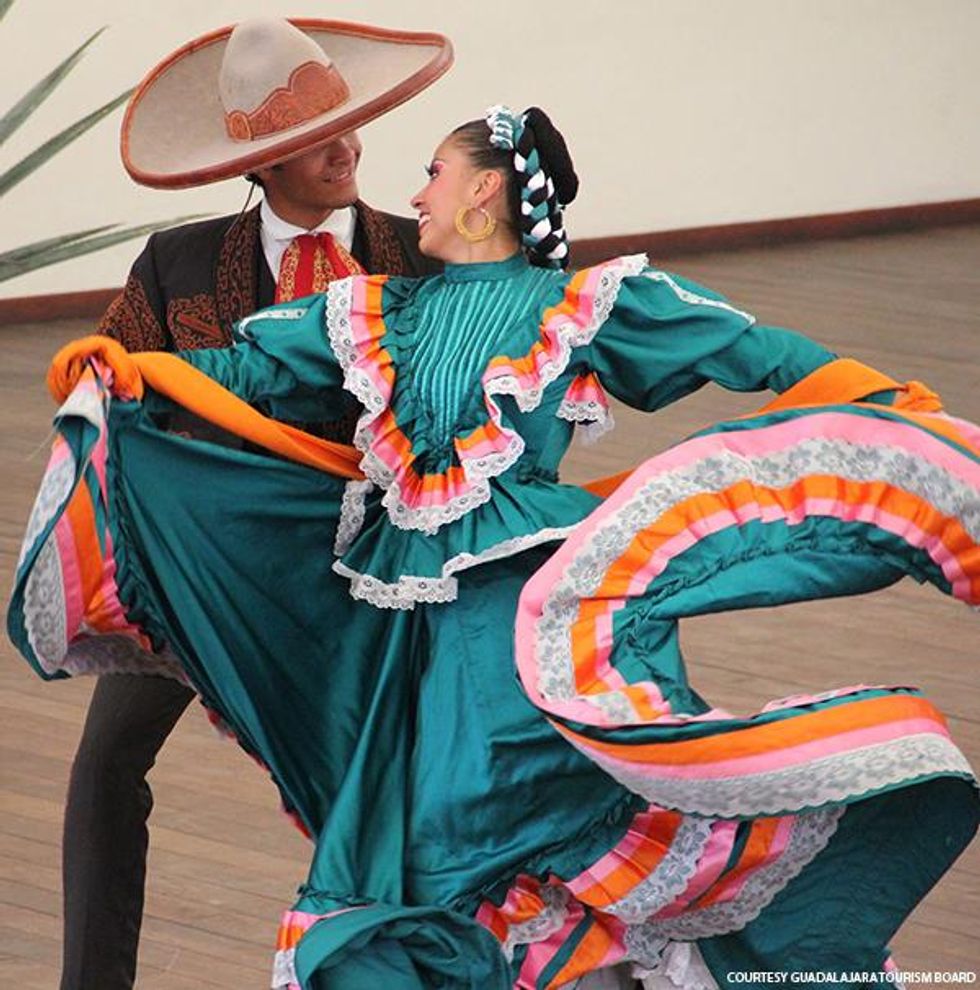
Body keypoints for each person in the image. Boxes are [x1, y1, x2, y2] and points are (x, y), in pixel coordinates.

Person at [11, 104, 979, 990]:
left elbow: (743, 351)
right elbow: (249, 364)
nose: (412, 193)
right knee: (425, 858)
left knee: (482, 833)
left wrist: (878, 395)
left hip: (522, 615)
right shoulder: (382, 309)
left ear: (484, 191)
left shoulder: (578, 307)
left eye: (432, 172)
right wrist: (131, 372)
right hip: (408, 648)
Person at [55, 16, 449, 990]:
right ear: (263, 159)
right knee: (106, 768)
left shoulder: (422, 256)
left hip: (373, 581)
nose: (348, 145)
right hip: (207, 573)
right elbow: (111, 403)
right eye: (321, 135)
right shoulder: (175, 267)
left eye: (353, 124)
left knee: (399, 789)